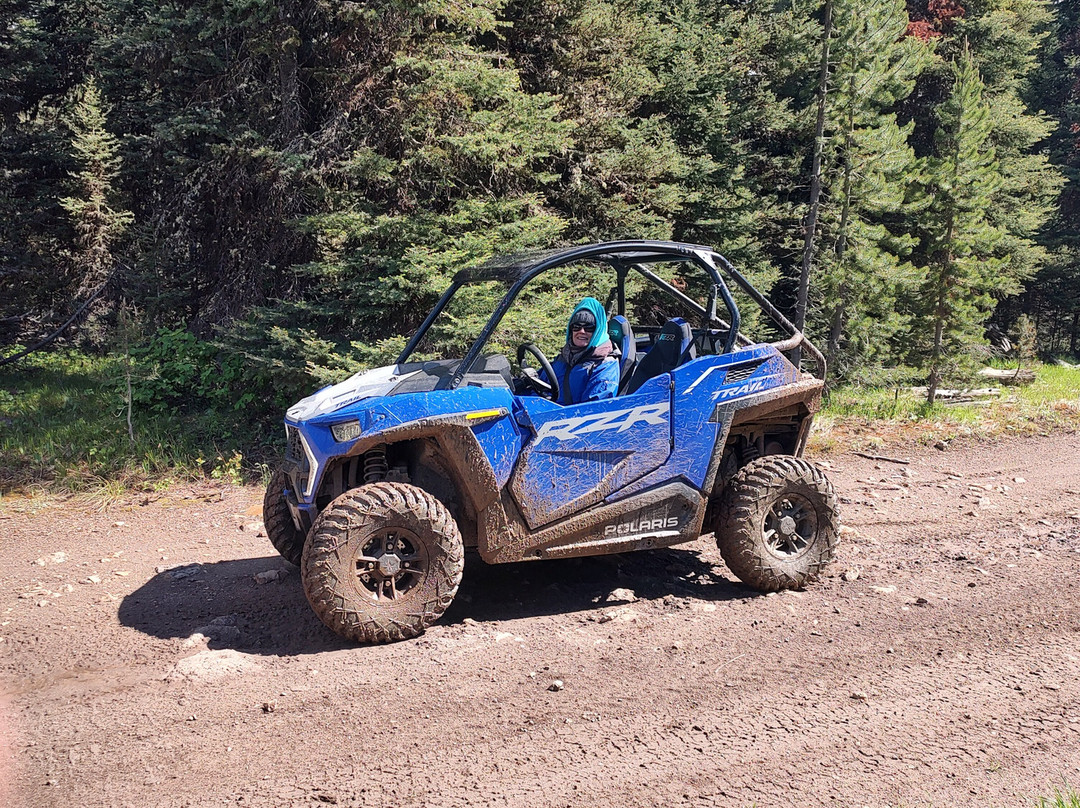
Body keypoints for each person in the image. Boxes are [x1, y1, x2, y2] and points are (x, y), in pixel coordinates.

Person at [544, 297, 620, 405]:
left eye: (589, 327)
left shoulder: (605, 366)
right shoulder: (565, 356)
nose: (582, 331)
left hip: (570, 419)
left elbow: (594, 409)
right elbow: (540, 383)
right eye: (576, 327)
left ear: (598, 330)